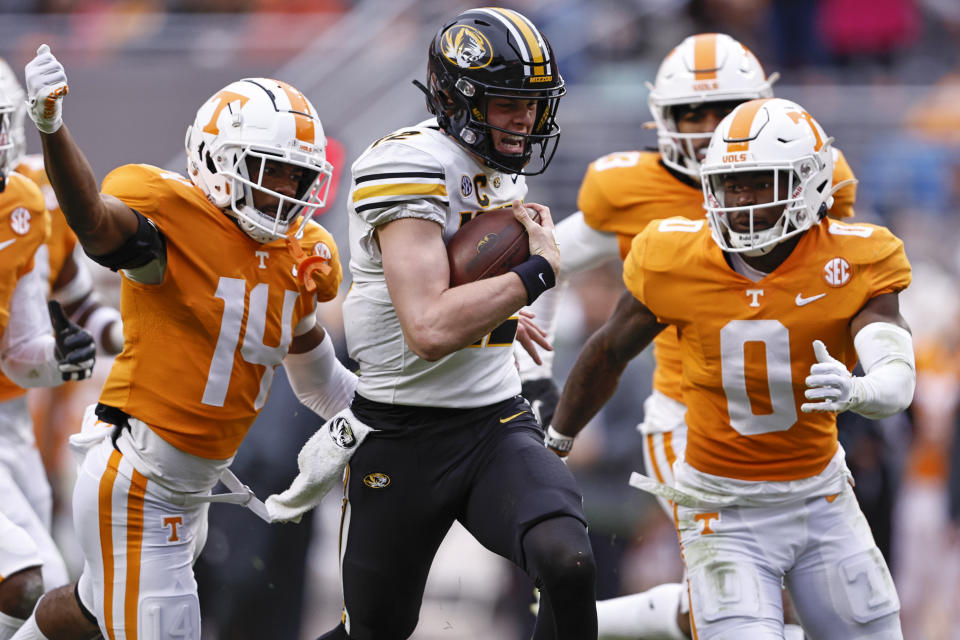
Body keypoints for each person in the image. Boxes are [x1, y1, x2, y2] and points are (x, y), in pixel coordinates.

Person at [11, 45, 357, 640]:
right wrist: (53, 128)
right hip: (141, 482)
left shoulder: (299, 257)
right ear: (216, 162)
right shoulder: (172, 222)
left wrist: (396, 416)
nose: (286, 191)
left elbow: (321, 382)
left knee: (88, 613)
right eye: (269, 170)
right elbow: (94, 220)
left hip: (193, 491)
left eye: (297, 176)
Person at [520, 32, 857, 639]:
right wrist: (533, 371)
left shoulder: (813, 174)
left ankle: (598, 621)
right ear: (662, 120)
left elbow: (840, 281)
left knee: (788, 593)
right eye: (690, 113)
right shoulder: (628, 188)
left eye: (724, 111)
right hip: (687, 413)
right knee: (742, 588)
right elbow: (540, 267)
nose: (706, 128)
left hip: (785, 418)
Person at [315, 8, 596, 640]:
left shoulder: (498, 163)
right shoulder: (408, 164)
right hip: (400, 429)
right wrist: (536, 275)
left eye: (534, 104)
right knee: (375, 632)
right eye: (507, 103)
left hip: (492, 420)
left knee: (567, 559)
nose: (525, 120)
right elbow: (429, 328)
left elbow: (470, 292)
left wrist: (501, 317)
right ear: (456, 97)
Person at [0, 82, 96, 639]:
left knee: (56, 591)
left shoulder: (21, 203)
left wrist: (61, 358)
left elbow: (19, 353)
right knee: (25, 582)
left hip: (9, 418)